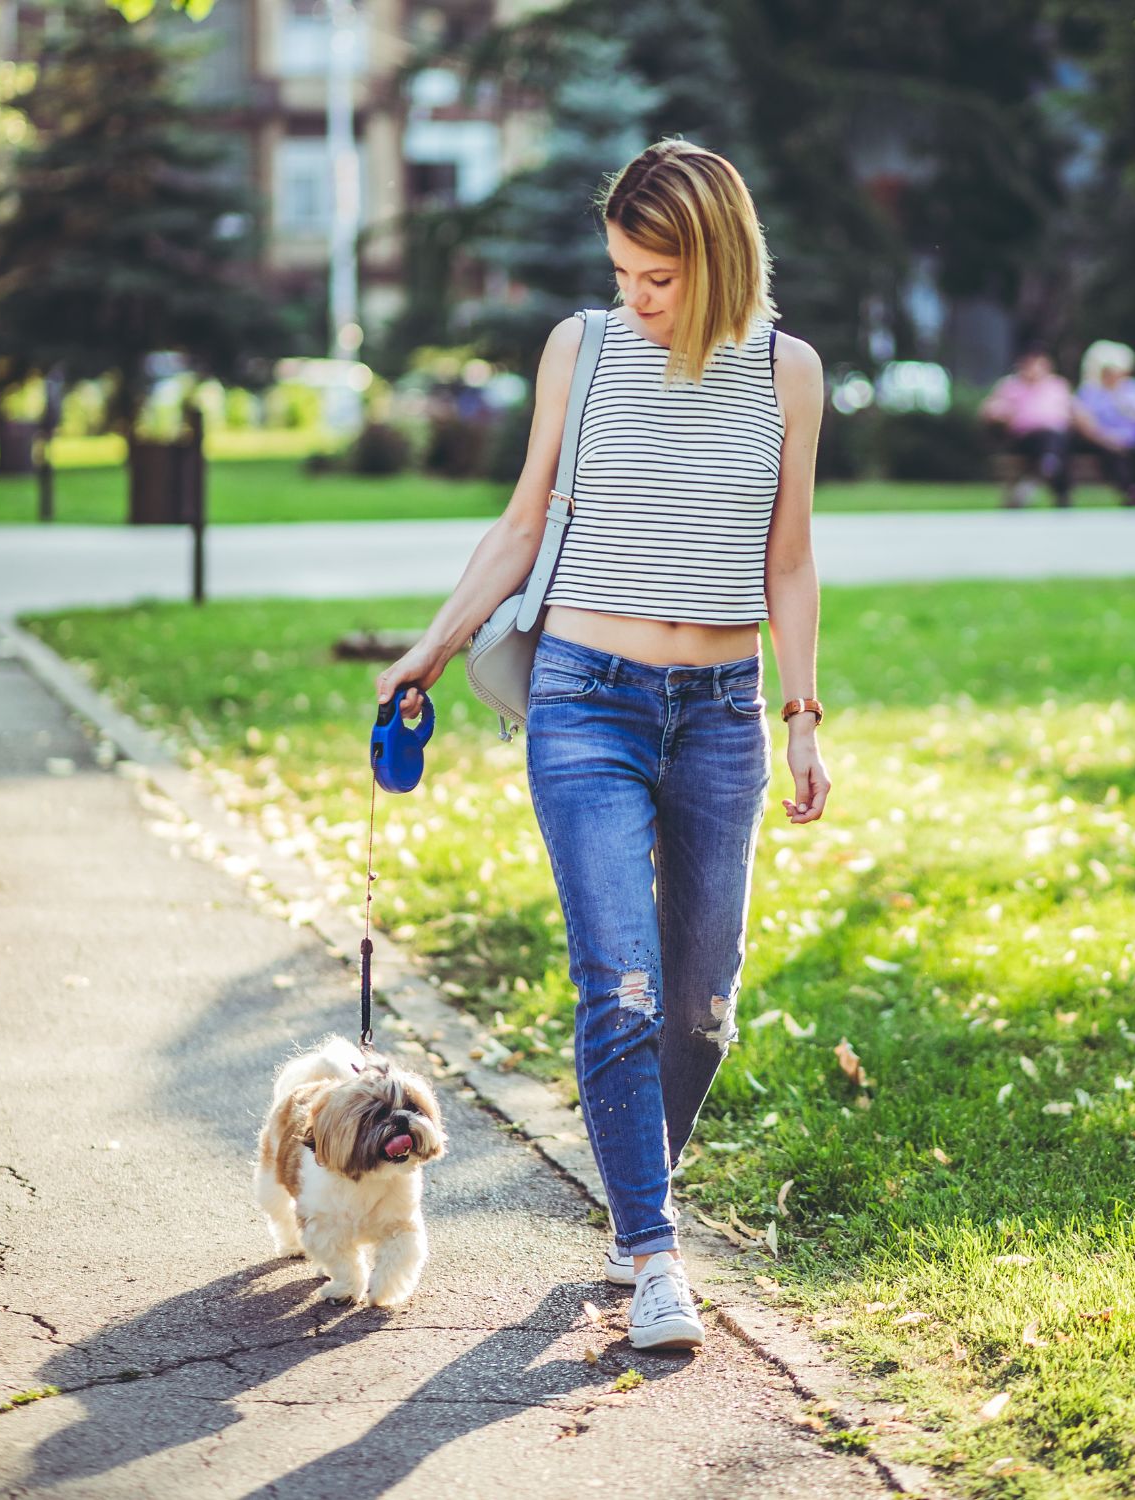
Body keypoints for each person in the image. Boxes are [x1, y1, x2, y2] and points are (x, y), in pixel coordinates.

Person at [374, 140, 830, 1352]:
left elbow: (788, 559)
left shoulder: (790, 373)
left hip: (724, 712)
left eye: (660, 277)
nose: (636, 296)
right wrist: (430, 646)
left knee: (699, 1007)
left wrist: (802, 719)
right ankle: (651, 1251)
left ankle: (636, 1186)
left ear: (721, 260)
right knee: (618, 982)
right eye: (624, 271)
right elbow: (524, 520)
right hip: (586, 700)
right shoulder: (581, 351)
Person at [979, 343, 1075, 506]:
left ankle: (1045, 470)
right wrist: (1001, 412)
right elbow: (989, 411)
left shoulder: (1058, 385)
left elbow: (1073, 412)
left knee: (1056, 439)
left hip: (1058, 437)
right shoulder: (1011, 386)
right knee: (1051, 441)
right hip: (1026, 438)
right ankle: (1053, 476)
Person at [1074, 340, 1135, 505]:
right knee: (1114, 457)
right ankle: (1130, 492)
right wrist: (1107, 439)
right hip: (1104, 441)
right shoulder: (1090, 391)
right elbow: (1084, 421)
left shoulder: (1134, 389)